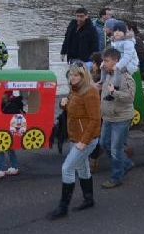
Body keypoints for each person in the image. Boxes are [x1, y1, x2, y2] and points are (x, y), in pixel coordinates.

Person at [48, 64, 100, 219]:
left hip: (86, 140)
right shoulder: (74, 90)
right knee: (82, 168)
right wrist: (63, 104)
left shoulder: (90, 92)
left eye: (76, 75)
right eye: (70, 75)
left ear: (84, 76)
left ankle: (63, 207)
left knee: (67, 168)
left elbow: (95, 120)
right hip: (75, 137)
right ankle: (89, 199)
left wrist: (84, 142)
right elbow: (73, 111)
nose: (72, 78)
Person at [98, 48, 135, 189]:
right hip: (108, 117)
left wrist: (115, 93)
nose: (104, 63)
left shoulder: (126, 77)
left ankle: (116, 177)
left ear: (116, 61)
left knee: (115, 149)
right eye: (103, 60)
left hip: (121, 118)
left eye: (106, 61)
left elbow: (130, 98)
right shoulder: (108, 74)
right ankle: (125, 163)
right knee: (104, 143)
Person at [0, 90, 22, 179]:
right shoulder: (4, 104)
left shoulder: (12, 106)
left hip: (7, 130)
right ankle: (14, 167)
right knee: (10, 148)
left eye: (3, 94)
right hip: (7, 130)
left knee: (0, 148)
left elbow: (10, 118)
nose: (1, 96)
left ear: (7, 96)